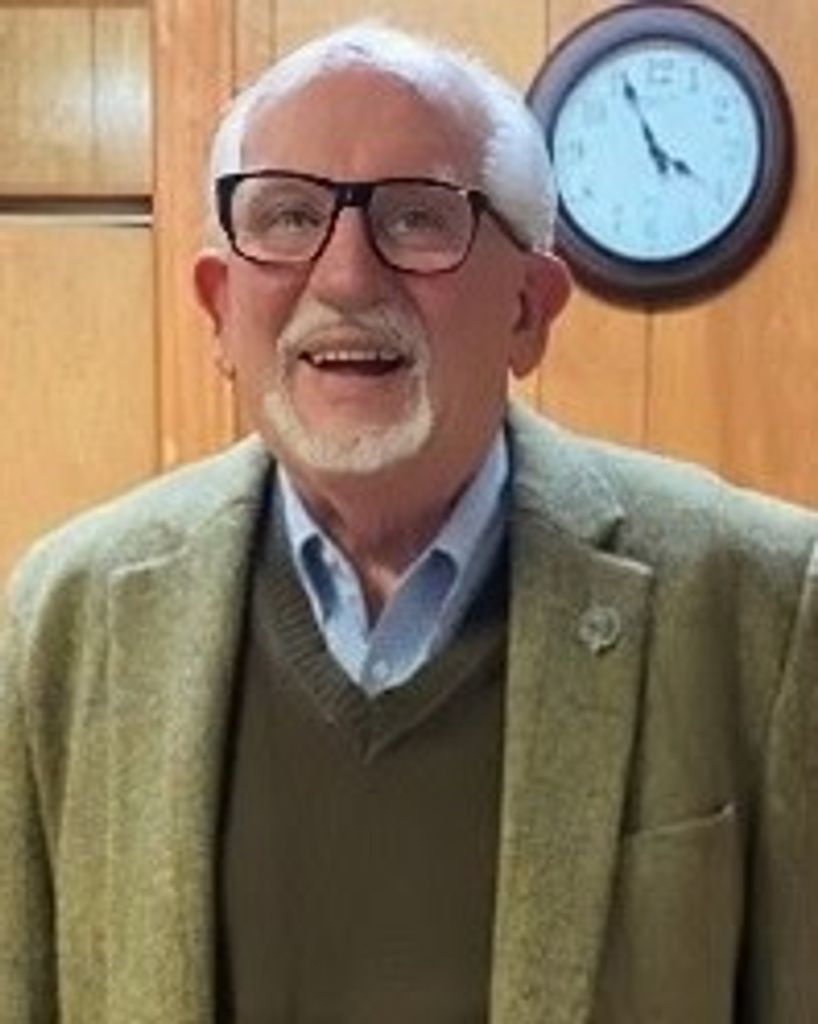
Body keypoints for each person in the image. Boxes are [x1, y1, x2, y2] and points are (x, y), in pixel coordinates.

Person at [1, 20, 816, 1024]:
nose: (345, 277)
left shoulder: (765, 604)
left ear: (528, 310)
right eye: (288, 215)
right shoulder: (67, 613)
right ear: (219, 308)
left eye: (419, 219)